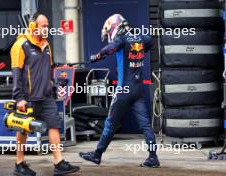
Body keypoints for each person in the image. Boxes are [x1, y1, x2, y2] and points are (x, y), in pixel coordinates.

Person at [79, 14, 160, 168]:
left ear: (116, 27)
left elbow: (111, 48)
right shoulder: (140, 39)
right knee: (145, 125)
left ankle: (97, 155)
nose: (110, 35)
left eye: (110, 32)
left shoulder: (121, 40)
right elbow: (151, 40)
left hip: (123, 90)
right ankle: (153, 157)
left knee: (110, 123)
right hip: (137, 90)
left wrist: (96, 57)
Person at [10, 12, 80, 176]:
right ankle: (19, 164)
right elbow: (16, 74)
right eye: (44, 25)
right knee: (23, 130)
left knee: (54, 125)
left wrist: (54, 86)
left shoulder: (46, 45)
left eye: (48, 25)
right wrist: (18, 98)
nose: (47, 28)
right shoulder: (20, 45)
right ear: (34, 26)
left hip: (46, 97)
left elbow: (49, 70)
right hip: (28, 98)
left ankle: (59, 162)